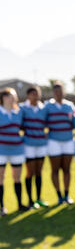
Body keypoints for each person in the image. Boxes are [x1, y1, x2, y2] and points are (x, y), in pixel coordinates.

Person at [45, 82, 75, 205]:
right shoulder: (48, 106)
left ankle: (67, 195)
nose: (59, 94)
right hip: (54, 142)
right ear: (53, 93)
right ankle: (59, 196)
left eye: (61, 91)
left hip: (68, 140)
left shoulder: (70, 105)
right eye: (56, 92)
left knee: (67, 169)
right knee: (55, 170)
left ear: (64, 92)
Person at [20, 86, 49, 209]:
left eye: (37, 94)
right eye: (32, 94)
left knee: (39, 172)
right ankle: (30, 200)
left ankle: (38, 198)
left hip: (41, 144)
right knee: (29, 172)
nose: (35, 96)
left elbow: (47, 123)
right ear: (28, 95)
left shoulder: (44, 108)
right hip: (28, 145)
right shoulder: (22, 108)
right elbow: (19, 124)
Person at [0, 88, 27, 216]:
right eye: (12, 96)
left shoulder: (19, 111)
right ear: (4, 97)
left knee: (17, 178)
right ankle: (2, 207)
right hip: (1, 150)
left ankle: (20, 204)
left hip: (17, 149)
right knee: (1, 178)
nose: (14, 99)